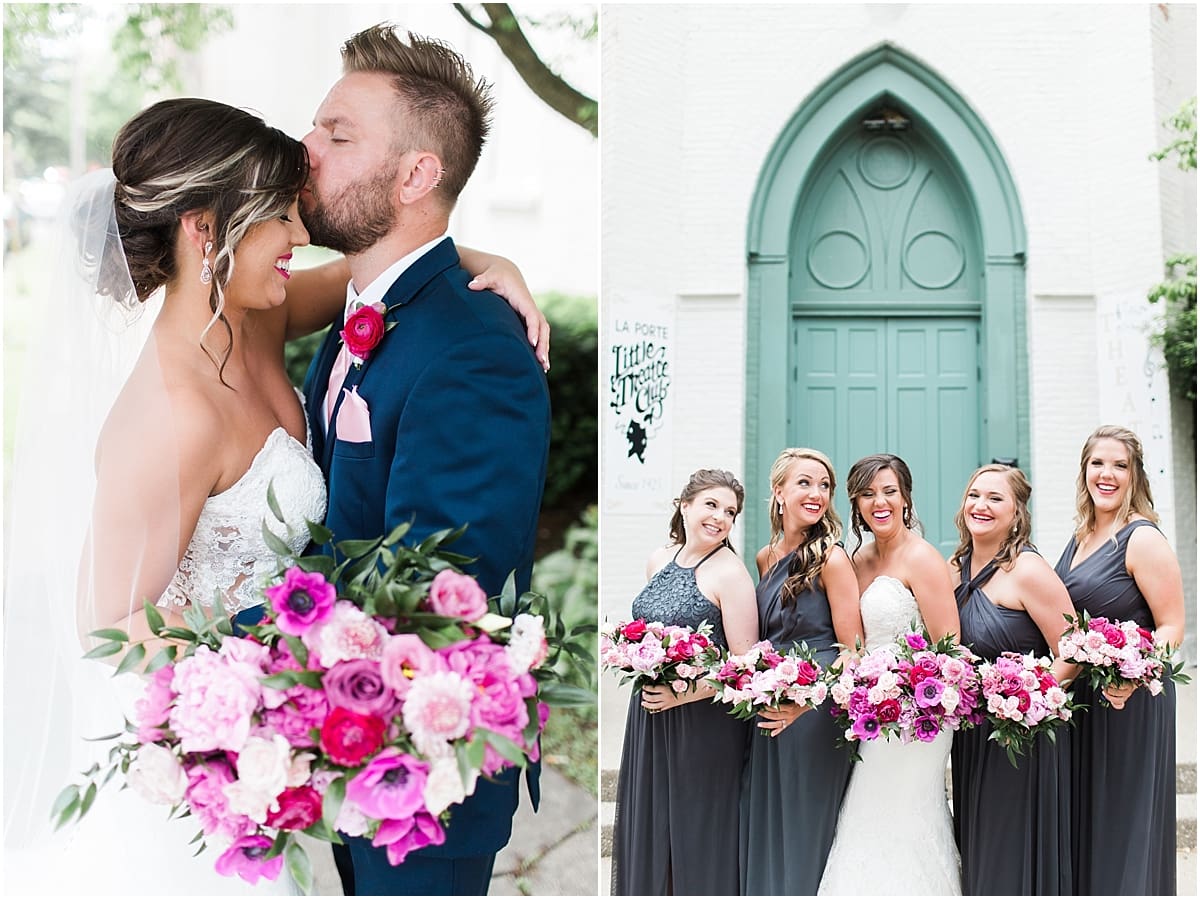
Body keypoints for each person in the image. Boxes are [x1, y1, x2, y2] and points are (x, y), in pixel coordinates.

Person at [2, 96, 546, 895]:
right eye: (278, 217)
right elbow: (107, 619)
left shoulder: (255, 314)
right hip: (218, 765)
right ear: (205, 229)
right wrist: (267, 694)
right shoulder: (171, 415)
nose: (299, 234)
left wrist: (497, 265)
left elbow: (398, 269)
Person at [297, 25, 552, 897]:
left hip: (425, 777)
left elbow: (436, 591)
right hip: (349, 743)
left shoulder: (474, 350)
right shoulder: (367, 310)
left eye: (337, 135)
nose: (306, 148)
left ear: (414, 176)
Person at [817, 453, 963, 896]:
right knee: (865, 810)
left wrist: (904, 692)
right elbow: (853, 642)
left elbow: (949, 647)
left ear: (905, 498)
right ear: (856, 503)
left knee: (905, 813)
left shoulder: (922, 558)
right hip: (869, 713)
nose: (879, 502)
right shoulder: (856, 560)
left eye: (889, 492)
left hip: (917, 717)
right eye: (867, 494)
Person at [610, 469, 759, 896]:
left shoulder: (731, 574)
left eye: (730, 512)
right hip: (650, 718)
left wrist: (682, 693)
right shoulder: (660, 559)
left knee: (695, 833)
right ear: (685, 505)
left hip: (702, 724)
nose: (720, 517)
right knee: (652, 824)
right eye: (711, 505)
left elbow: (746, 666)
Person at [1053, 426, 1184, 895]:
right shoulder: (1081, 537)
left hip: (1130, 700)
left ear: (1135, 476)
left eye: (1119, 465)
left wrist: (1134, 671)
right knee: (1088, 820)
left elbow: (1172, 626)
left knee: (1122, 822)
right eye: (1097, 464)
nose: (1106, 474)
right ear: (1084, 471)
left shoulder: (1141, 538)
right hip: (1084, 702)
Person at [947, 464, 1076, 895]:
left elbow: (1072, 650)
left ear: (1017, 511)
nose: (980, 505)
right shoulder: (954, 569)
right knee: (979, 846)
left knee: (1010, 848)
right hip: (972, 735)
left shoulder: (1028, 570)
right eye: (974, 495)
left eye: (995, 498)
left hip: (1020, 737)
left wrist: (1025, 703)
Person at [740, 448, 862, 895]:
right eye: (805, 483)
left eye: (824, 486)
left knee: (806, 822)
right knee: (768, 817)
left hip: (816, 710)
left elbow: (853, 651)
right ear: (778, 492)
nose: (817, 494)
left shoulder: (832, 559)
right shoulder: (765, 557)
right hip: (771, 702)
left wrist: (807, 702)